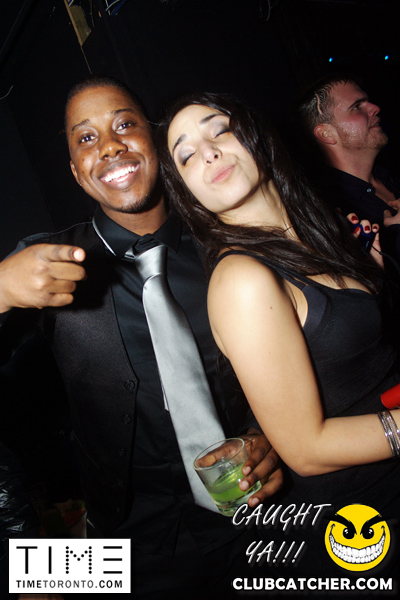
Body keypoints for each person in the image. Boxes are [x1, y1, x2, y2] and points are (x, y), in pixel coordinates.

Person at [0, 76, 283, 599]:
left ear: (154, 140)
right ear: (75, 171)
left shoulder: (226, 249)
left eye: (125, 125)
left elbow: (304, 368)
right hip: (121, 549)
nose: (109, 146)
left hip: (255, 526)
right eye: (86, 138)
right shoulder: (44, 263)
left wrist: (270, 439)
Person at [156, 91, 400, 580]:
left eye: (220, 130)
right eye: (186, 155)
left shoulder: (315, 232)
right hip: (364, 526)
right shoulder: (242, 279)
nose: (208, 152)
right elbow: (307, 450)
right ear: (187, 193)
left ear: (257, 138)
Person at [296, 74, 400, 265]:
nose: (375, 108)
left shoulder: (390, 174)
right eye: (357, 107)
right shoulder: (333, 216)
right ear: (326, 134)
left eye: (368, 101)